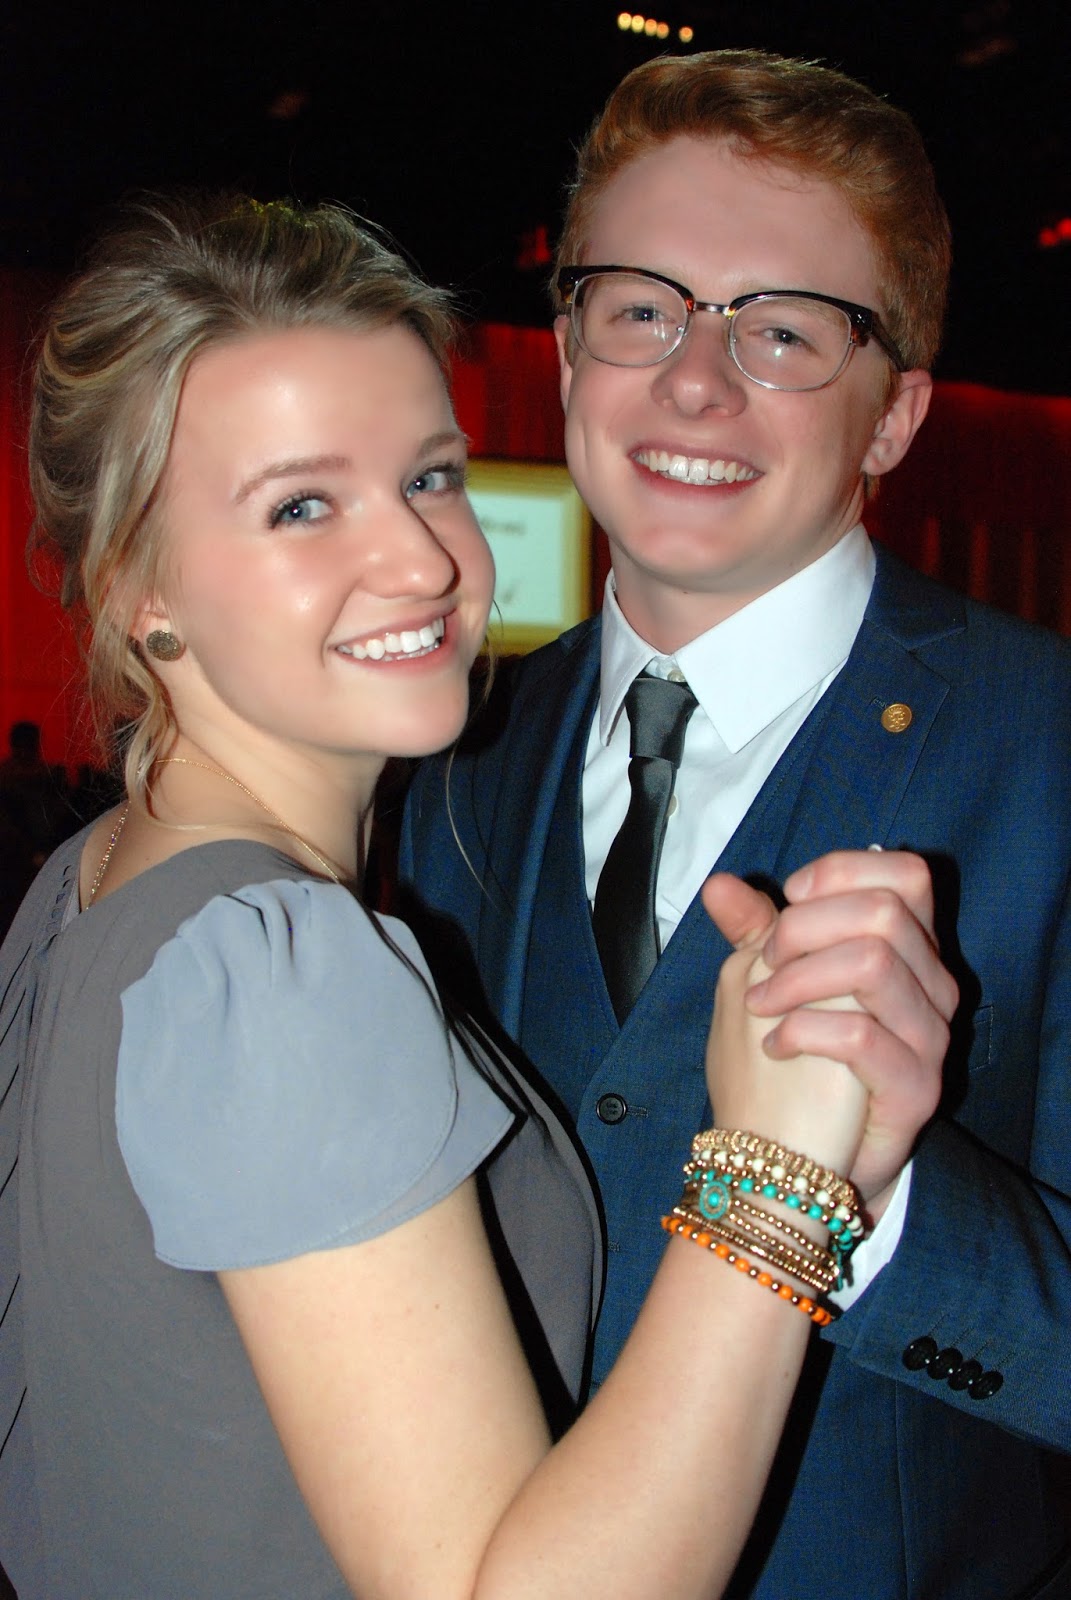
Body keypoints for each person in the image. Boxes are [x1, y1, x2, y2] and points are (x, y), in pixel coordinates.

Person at [0, 192, 946, 1600]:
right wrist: (779, 1177)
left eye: (431, 477)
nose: (425, 561)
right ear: (140, 587)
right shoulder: (280, 964)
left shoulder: (84, 887)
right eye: (303, 505)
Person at [400, 49, 1071, 1600]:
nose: (695, 382)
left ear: (894, 418)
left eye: (783, 331)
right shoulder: (447, 753)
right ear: (569, 349)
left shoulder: (1047, 748)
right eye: (642, 307)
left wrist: (872, 1200)